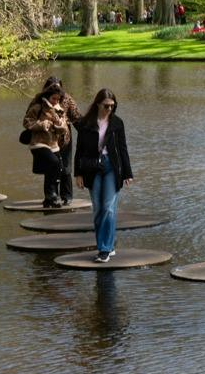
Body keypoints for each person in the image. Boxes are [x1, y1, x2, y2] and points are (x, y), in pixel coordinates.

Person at [73, 89, 134, 263]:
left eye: (112, 106)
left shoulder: (117, 123)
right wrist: (78, 174)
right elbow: (79, 150)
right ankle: (108, 245)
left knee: (108, 207)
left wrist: (127, 173)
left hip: (112, 167)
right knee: (99, 208)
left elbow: (123, 149)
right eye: (106, 106)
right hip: (92, 168)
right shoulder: (86, 123)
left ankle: (104, 249)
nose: (109, 109)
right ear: (98, 104)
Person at [23, 84, 71, 208]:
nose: (55, 101)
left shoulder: (59, 111)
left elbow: (64, 129)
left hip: (53, 144)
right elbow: (26, 122)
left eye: (58, 99)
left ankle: (49, 199)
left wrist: (59, 126)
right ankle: (52, 195)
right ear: (47, 97)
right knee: (54, 162)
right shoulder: (38, 107)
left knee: (58, 167)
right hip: (38, 143)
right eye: (53, 98)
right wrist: (41, 124)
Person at [43, 75, 81, 207]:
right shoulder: (40, 101)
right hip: (46, 140)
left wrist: (87, 133)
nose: (55, 90)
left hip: (64, 139)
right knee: (50, 169)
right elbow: (30, 116)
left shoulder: (67, 99)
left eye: (57, 87)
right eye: (51, 87)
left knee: (65, 168)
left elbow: (77, 118)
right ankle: (51, 197)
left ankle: (67, 196)